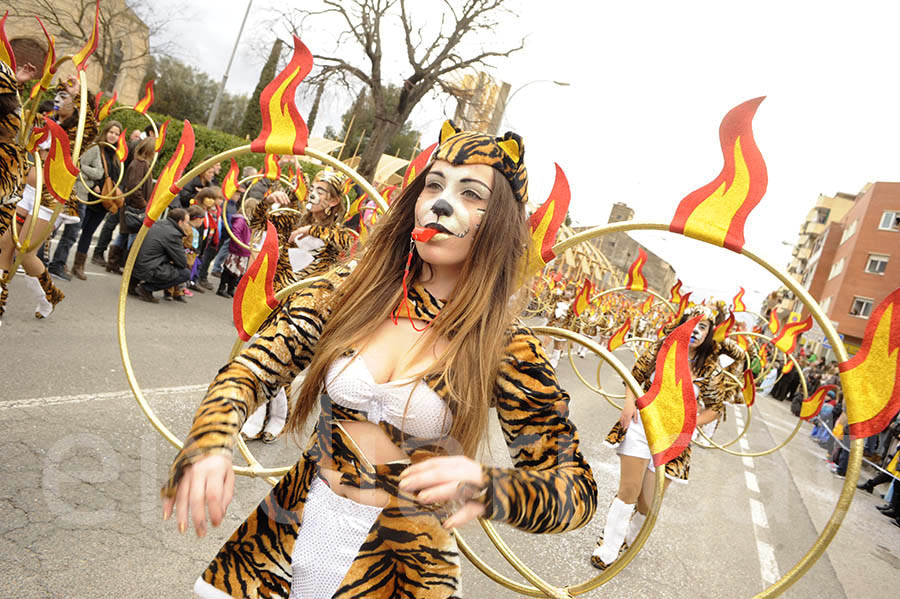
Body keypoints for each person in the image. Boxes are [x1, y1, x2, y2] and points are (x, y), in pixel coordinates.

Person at [161, 121, 597, 599]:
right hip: (287, 537)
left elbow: (574, 490)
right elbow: (251, 368)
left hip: (399, 570)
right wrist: (210, 440)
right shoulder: (352, 290)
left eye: (471, 193)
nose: (441, 202)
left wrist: (490, 486)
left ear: (497, 224)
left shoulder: (504, 347)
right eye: (434, 184)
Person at [591, 305, 754, 570]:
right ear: (681, 325)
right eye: (691, 324)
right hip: (641, 427)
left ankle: (629, 541)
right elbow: (634, 377)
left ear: (708, 334)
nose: (695, 331)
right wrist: (629, 404)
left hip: (675, 440)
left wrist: (687, 425)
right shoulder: (659, 349)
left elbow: (714, 409)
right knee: (629, 491)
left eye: (702, 327)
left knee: (647, 502)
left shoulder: (709, 370)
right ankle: (608, 546)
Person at [0, 75, 89, 324]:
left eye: (66, 96)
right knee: (5, 243)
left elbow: (89, 125)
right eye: (58, 95)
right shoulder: (41, 121)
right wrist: (18, 83)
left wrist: (79, 93)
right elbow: (11, 113)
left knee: (25, 252)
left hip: (49, 198)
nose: (60, 99)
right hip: (26, 192)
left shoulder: (75, 134)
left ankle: (50, 295)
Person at [69, 120, 123, 279]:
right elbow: (81, 168)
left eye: (117, 133)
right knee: (75, 230)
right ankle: (61, 261)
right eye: (111, 132)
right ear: (105, 132)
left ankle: (79, 265)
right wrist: (94, 186)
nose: (113, 136)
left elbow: (115, 177)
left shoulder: (116, 155)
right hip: (89, 197)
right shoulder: (95, 148)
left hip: (104, 202)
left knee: (88, 233)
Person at [107, 136, 155, 265]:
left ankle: (114, 262)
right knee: (132, 237)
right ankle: (124, 263)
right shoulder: (140, 164)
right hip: (134, 207)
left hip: (131, 205)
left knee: (124, 234)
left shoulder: (139, 163)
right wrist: (142, 204)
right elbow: (134, 186)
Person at [132, 208, 191, 303]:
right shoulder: (173, 234)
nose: (188, 226)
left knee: (152, 256)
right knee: (185, 273)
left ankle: (132, 285)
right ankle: (146, 289)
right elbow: (182, 262)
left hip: (132, 263)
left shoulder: (157, 223)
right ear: (180, 222)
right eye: (187, 223)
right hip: (146, 268)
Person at [216, 198, 255, 298]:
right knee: (229, 269)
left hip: (244, 251)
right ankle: (222, 287)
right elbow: (236, 233)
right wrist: (240, 244)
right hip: (237, 249)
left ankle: (230, 288)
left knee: (237, 271)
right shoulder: (241, 220)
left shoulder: (250, 221)